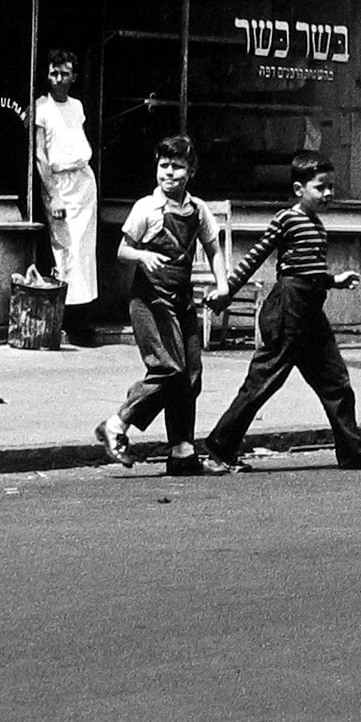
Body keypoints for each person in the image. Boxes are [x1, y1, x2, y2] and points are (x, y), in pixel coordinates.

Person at [202, 152, 361, 469]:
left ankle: (353, 453)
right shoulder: (286, 219)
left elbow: (309, 270)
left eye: (332, 187)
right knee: (262, 384)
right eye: (321, 187)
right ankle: (219, 449)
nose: (329, 194)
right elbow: (254, 257)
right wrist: (227, 291)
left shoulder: (318, 226)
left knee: (337, 384)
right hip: (288, 311)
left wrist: (334, 280)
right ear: (298, 189)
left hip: (311, 313)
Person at [95, 136, 231, 476]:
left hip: (182, 300)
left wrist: (223, 284)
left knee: (191, 374)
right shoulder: (146, 208)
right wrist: (142, 255)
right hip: (150, 301)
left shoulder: (198, 210)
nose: (169, 173)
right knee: (169, 370)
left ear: (191, 171)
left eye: (178, 167)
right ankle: (116, 423)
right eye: (164, 166)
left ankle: (182, 451)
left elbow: (214, 249)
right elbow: (122, 251)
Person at [34, 48, 100, 345]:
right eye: (53, 73)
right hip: (60, 184)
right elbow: (40, 156)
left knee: (84, 253)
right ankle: (68, 320)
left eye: (64, 73)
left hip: (83, 182)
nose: (58, 79)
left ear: (73, 76)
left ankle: (82, 318)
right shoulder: (42, 107)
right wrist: (54, 196)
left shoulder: (77, 106)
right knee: (65, 251)